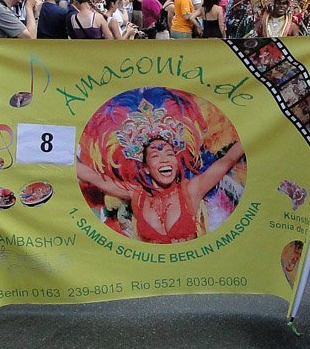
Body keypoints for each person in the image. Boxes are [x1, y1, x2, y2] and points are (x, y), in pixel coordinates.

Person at [76, 89, 246, 244]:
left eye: (170, 154)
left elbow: (228, 160)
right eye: (156, 156)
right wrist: (54, 152)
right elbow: (92, 176)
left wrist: (255, 129)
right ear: (146, 168)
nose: (165, 160)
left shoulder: (191, 190)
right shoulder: (136, 195)